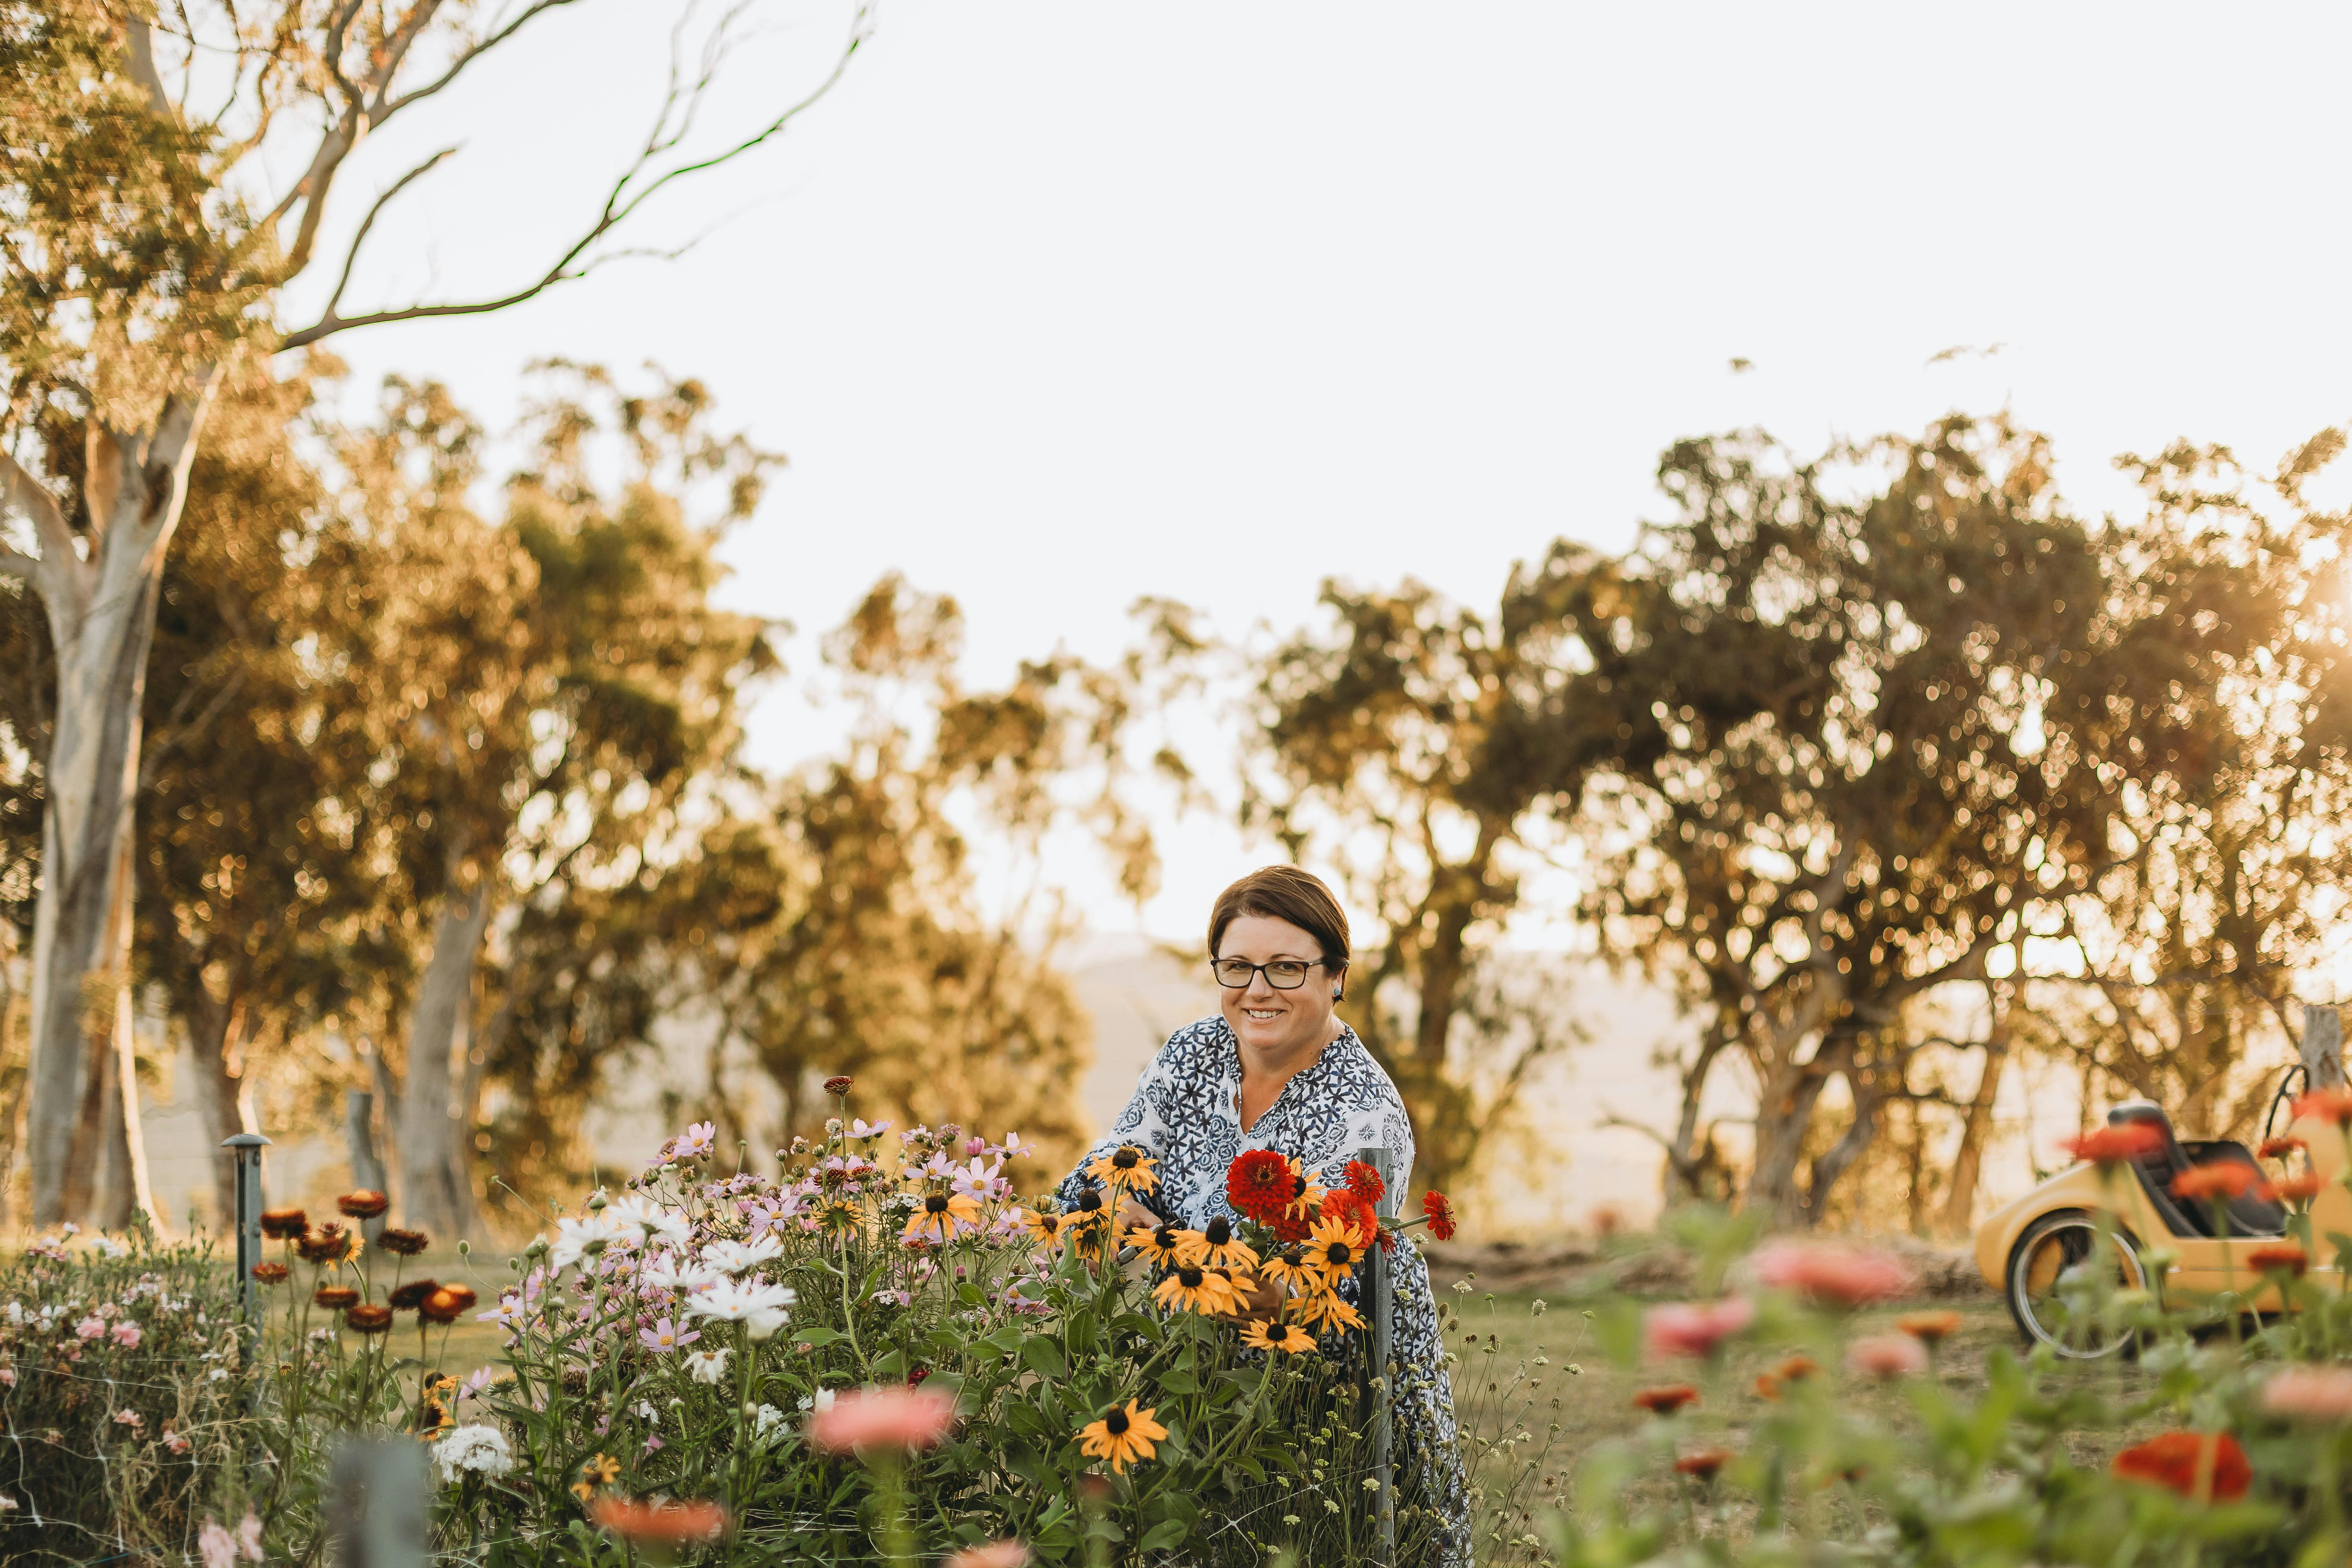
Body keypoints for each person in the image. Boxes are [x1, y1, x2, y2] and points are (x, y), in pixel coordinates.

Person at [1057, 865, 1468, 1564]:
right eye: (1238, 966)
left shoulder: (1365, 1116)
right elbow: (1094, 1184)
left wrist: (1158, 1241)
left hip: (1327, 1426)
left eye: (1285, 968)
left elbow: (1301, 1300)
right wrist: (1137, 1221)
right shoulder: (1192, 1056)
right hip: (1192, 1400)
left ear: (1336, 974)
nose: (1257, 990)